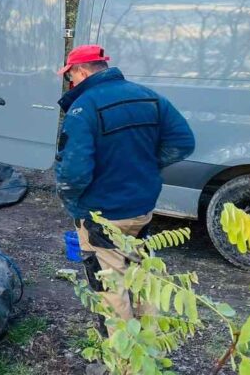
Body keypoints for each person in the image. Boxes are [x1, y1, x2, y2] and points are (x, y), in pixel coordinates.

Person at [54, 44, 195, 332]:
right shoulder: (149, 97)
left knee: (109, 285)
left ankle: (123, 361)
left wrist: (72, 203)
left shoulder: (84, 108)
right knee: (142, 274)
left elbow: (74, 171)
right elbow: (183, 143)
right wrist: (148, 166)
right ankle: (150, 344)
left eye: (70, 76)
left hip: (100, 213)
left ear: (81, 70)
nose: (70, 83)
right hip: (141, 207)